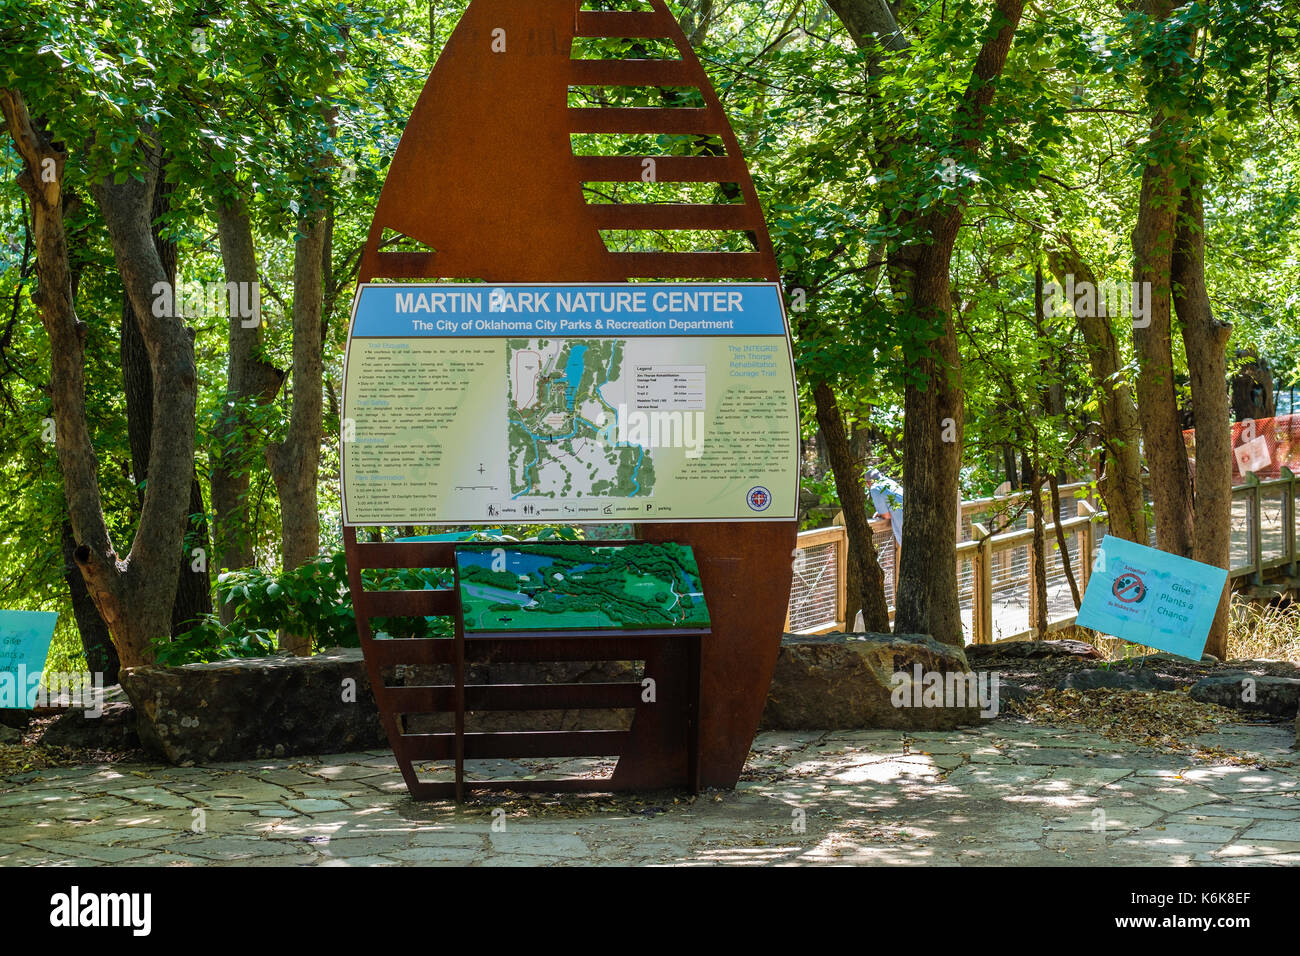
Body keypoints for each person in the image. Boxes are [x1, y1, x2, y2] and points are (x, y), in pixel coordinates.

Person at [864, 466, 903, 545]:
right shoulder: (889, 482)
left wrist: (881, 513)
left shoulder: (875, 488)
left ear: (868, 483)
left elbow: (886, 516)